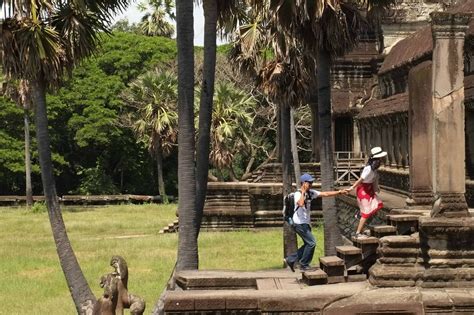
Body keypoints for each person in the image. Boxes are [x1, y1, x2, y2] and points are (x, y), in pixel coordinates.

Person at [284, 173, 348, 272]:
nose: (311, 184)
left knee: (307, 244)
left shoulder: (311, 193)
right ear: (303, 183)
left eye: (311, 182)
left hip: (305, 223)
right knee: (312, 243)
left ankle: (291, 259)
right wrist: (303, 192)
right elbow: (300, 203)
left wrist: (339, 192)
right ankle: (304, 265)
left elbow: (325, 194)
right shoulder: (298, 194)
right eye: (309, 182)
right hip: (298, 223)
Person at [346, 146, 387, 239]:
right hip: (363, 191)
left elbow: (374, 180)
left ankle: (359, 216)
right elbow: (361, 180)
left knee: (378, 204)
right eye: (379, 159)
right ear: (375, 160)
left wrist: (376, 188)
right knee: (367, 212)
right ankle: (357, 233)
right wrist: (351, 188)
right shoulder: (368, 169)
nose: (381, 161)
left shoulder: (374, 169)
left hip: (369, 189)